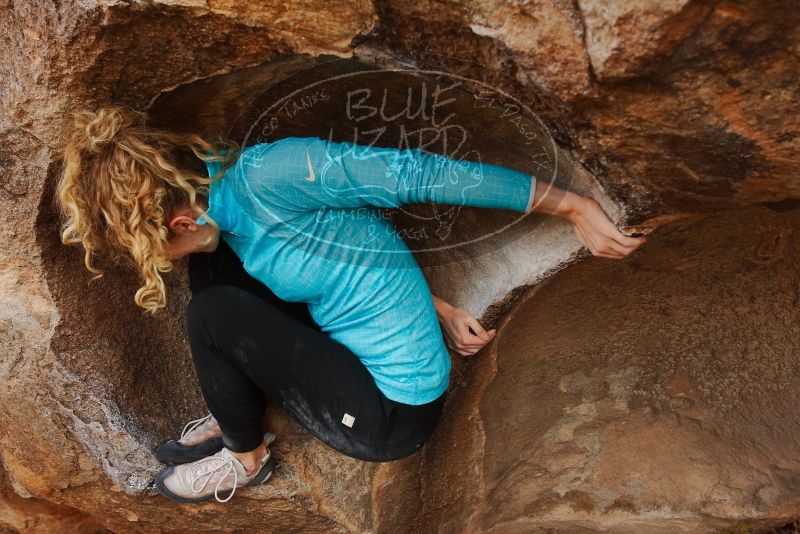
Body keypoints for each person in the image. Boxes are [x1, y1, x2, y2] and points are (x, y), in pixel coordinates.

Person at [56, 106, 645, 504]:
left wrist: (573, 207)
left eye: (160, 244)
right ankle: (236, 403)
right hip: (347, 343)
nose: (161, 259)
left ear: (180, 217)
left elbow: (422, 174)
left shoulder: (276, 172)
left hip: (389, 411)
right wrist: (436, 306)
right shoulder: (221, 197)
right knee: (215, 261)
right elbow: (347, 249)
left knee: (209, 313)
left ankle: (245, 455)